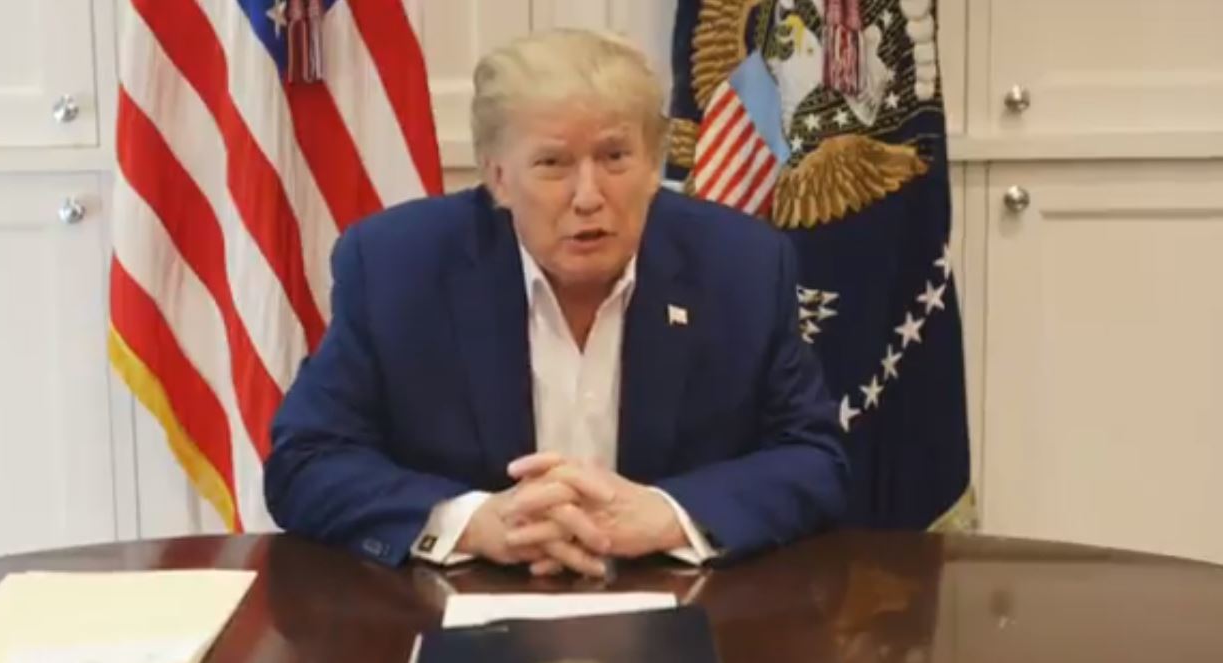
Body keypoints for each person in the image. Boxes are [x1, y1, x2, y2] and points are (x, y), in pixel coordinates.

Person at [264, 28, 847, 577]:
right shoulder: (398, 267)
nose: (588, 196)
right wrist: (471, 523)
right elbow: (306, 461)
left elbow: (813, 458)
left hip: (678, 601)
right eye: (552, 164)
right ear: (497, 176)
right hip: (462, 605)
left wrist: (669, 514)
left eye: (615, 157)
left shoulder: (741, 265)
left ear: (653, 164)